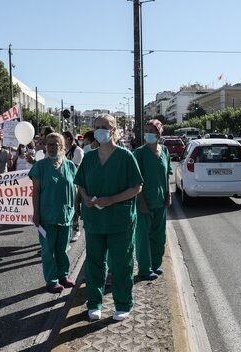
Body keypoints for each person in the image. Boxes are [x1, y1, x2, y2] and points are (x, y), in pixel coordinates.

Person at [74, 114, 143, 321]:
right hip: (95, 220)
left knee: (122, 263)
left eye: (105, 126)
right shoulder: (90, 157)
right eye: (97, 127)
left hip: (119, 221)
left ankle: (123, 304)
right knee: (94, 263)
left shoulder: (125, 156)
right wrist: (85, 198)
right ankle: (94, 303)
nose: (100, 130)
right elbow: (81, 183)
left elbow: (137, 187)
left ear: (114, 130)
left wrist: (111, 200)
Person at [30, 133, 78, 293]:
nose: (51, 147)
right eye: (49, 144)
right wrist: (36, 214)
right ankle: (51, 280)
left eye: (55, 144)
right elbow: (35, 192)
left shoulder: (70, 166)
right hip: (46, 216)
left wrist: (77, 211)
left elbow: (76, 189)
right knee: (48, 250)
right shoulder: (40, 166)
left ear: (62, 147)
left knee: (62, 249)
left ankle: (63, 275)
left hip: (66, 215)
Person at [134, 119, 173, 280]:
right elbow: (136, 180)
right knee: (143, 237)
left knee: (159, 236)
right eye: (147, 130)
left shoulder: (164, 151)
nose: (148, 133)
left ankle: (156, 264)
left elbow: (167, 174)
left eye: (152, 130)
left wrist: (168, 194)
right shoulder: (140, 153)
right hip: (145, 202)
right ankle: (144, 268)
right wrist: (142, 202)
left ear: (159, 133)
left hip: (160, 201)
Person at [63, 131, 84, 243]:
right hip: (64, 183)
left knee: (74, 206)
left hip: (74, 183)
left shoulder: (78, 151)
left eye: (64, 138)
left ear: (69, 139)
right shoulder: (64, 151)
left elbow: (74, 168)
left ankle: (76, 230)